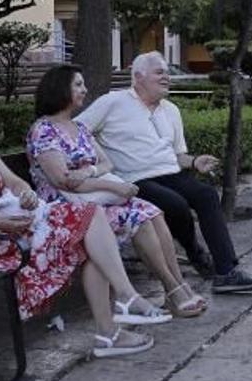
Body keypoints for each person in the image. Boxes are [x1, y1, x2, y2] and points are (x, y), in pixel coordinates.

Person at [0, 67, 168, 359]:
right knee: (87, 235)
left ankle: (117, 314)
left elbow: (13, 180)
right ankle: (113, 325)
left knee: (89, 221)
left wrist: (26, 194)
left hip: (5, 231)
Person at [76, 52, 252, 294]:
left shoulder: (171, 110)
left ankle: (226, 272)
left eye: (166, 72)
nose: (166, 76)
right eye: (159, 72)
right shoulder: (113, 102)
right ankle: (195, 253)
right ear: (138, 77)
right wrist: (100, 159)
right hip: (134, 179)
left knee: (206, 195)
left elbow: (177, 156)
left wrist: (195, 161)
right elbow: (78, 130)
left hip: (171, 174)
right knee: (174, 204)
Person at [28, 65, 208, 318]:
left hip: (93, 195)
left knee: (151, 212)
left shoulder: (79, 128)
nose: (84, 89)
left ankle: (177, 285)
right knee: (138, 218)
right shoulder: (43, 130)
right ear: (60, 89)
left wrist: (90, 172)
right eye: (78, 85)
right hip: (65, 205)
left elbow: (106, 163)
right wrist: (111, 185)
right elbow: (62, 181)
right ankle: (173, 291)